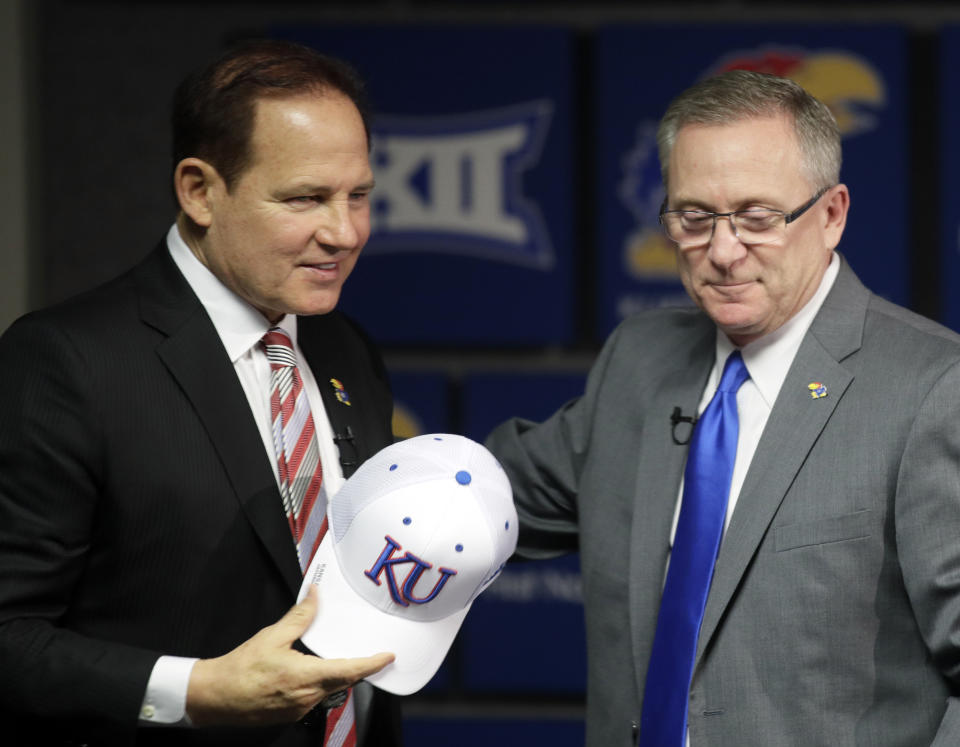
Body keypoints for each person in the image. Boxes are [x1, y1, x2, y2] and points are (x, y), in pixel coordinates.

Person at [486, 70, 960, 746]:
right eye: (694, 218)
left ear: (831, 215)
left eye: (758, 218)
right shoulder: (638, 361)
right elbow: (488, 498)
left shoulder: (932, 387)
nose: (723, 251)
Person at [0, 40, 402, 746]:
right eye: (306, 198)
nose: (344, 232)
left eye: (359, 196)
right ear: (199, 190)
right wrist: (197, 690)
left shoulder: (345, 346)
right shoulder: (66, 362)